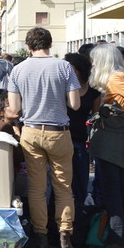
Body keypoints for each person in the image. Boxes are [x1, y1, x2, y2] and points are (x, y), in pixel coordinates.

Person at [8, 27, 81, 248]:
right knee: (63, 187)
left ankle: (40, 234)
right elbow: (75, 105)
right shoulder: (64, 67)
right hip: (58, 133)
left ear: (28, 47)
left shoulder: (18, 70)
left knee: (37, 188)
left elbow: (14, 108)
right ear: (49, 44)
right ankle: (64, 232)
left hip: (30, 132)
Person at [88, 44, 124, 247]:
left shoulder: (116, 78)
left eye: (95, 60)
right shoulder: (117, 77)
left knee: (113, 193)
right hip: (113, 145)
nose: (92, 63)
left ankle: (116, 237)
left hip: (113, 147)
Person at [63, 52, 100, 211]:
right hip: (62, 136)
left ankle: (80, 213)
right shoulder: (62, 87)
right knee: (63, 181)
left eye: (70, 68)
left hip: (81, 139)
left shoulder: (93, 91)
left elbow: (96, 116)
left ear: (80, 69)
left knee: (81, 180)